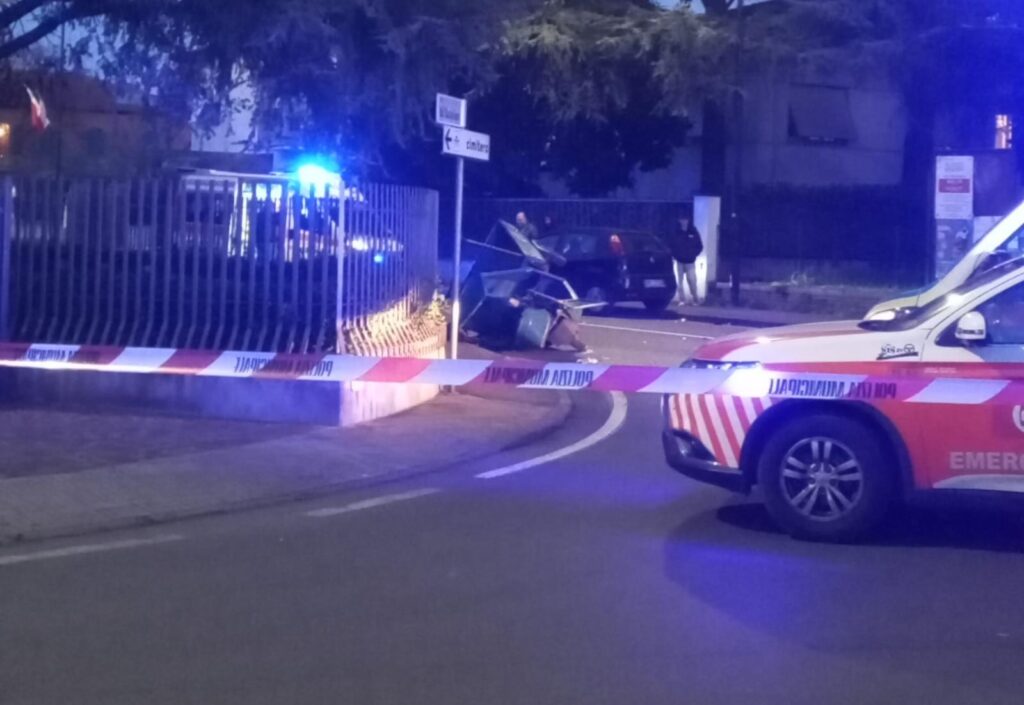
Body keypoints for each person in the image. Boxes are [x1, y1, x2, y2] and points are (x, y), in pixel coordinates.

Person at [668, 214, 704, 305]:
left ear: (688, 221)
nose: (684, 222)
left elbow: (699, 246)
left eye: (685, 219)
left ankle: (695, 298)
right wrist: (675, 255)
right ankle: (682, 299)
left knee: (692, 280)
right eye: (682, 220)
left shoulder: (693, 232)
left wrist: (693, 254)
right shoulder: (676, 232)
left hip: (690, 261)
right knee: (679, 282)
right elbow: (671, 244)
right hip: (679, 261)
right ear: (679, 221)